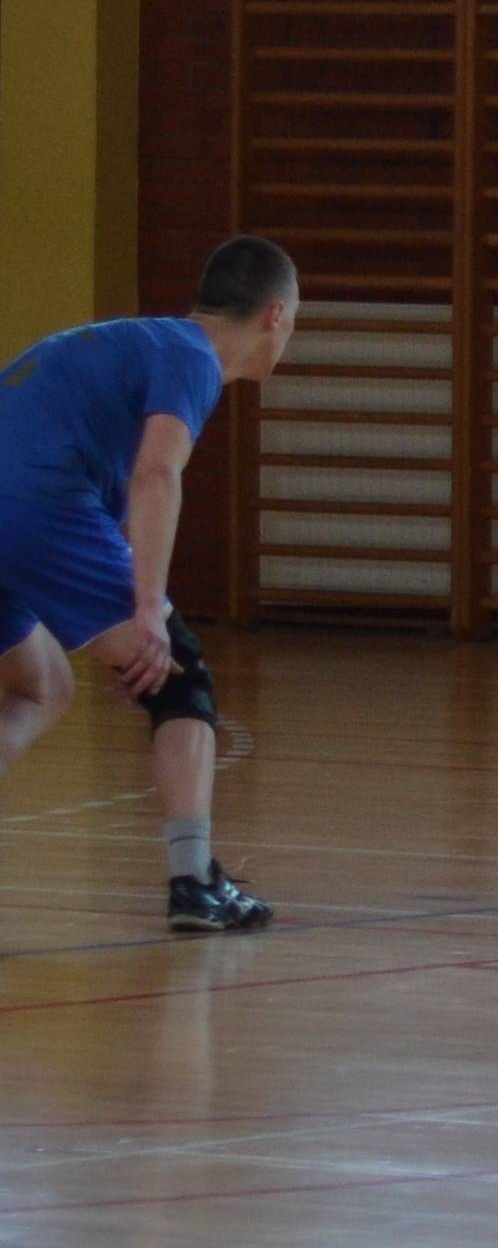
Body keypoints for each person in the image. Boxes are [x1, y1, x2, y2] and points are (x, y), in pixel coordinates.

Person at [0, 236, 301, 934]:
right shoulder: (191, 357)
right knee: (178, 678)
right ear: (275, 316)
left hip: (23, 504)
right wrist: (145, 611)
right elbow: (157, 474)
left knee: (39, 689)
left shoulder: (138, 345)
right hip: (33, 504)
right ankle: (194, 883)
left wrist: (119, 624)